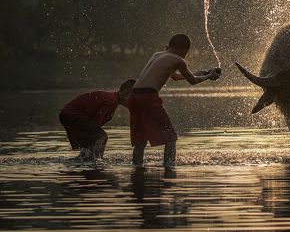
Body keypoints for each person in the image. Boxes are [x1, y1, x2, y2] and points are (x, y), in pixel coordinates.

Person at [130, 33, 221, 168]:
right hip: (149, 96)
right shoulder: (178, 60)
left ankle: (136, 168)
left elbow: (175, 76)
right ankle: (169, 167)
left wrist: (198, 72)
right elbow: (193, 81)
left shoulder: (157, 55)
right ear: (184, 51)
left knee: (140, 140)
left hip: (134, 95)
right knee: (170, 137)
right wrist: (209, 76)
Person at [59, 79, 135, 160]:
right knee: (102, 136)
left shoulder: (112, 99)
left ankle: (87, 159)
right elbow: (96, 123)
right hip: (72, 115)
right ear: (127, 93)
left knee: (91, 143)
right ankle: (97, 161)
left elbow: (94, 124)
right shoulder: (111, 101)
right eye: (133, 98)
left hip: (68, 115)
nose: (135, 102)